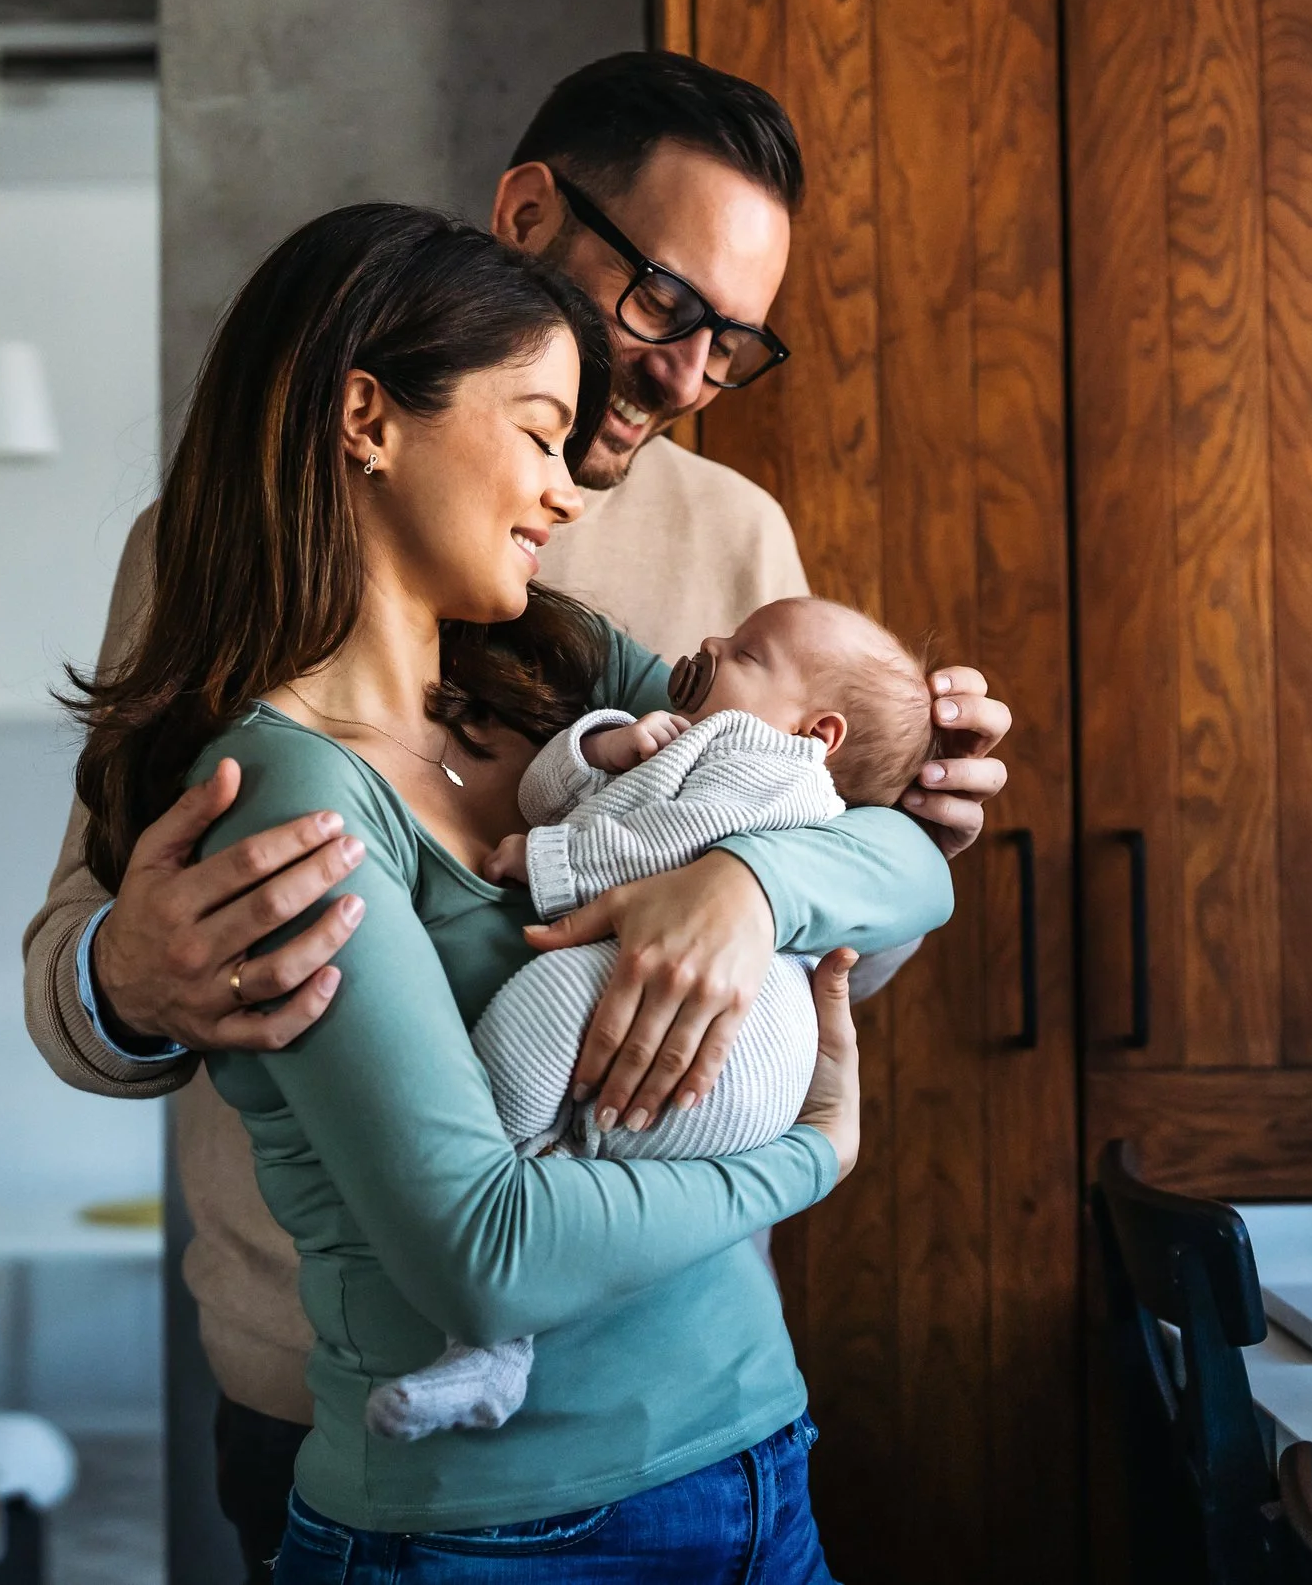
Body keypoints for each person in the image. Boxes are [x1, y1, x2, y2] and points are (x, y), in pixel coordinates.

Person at [22, 53, 1013, 1578]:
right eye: (669, 309)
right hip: (371, 1402)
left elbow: (825, 922)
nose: (689, 377)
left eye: (736, 345)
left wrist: (783, 873)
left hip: (725, 1405)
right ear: (533, 211)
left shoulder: (622, 600)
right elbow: (85, 948)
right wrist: (131, 978)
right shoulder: (244, 637)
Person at [367, 597, 937, 1444]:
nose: (709, 643)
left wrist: (548, 859)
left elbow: (668, 848)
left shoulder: (773, 764)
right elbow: (549, 793)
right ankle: (502, 1331)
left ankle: (495, 1310)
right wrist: (605, 745)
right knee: (569, 1119)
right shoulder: (694, 736)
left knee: (539, 1009)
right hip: (729, 1057)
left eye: (745, 652)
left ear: (819, 733)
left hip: (737, 1041)